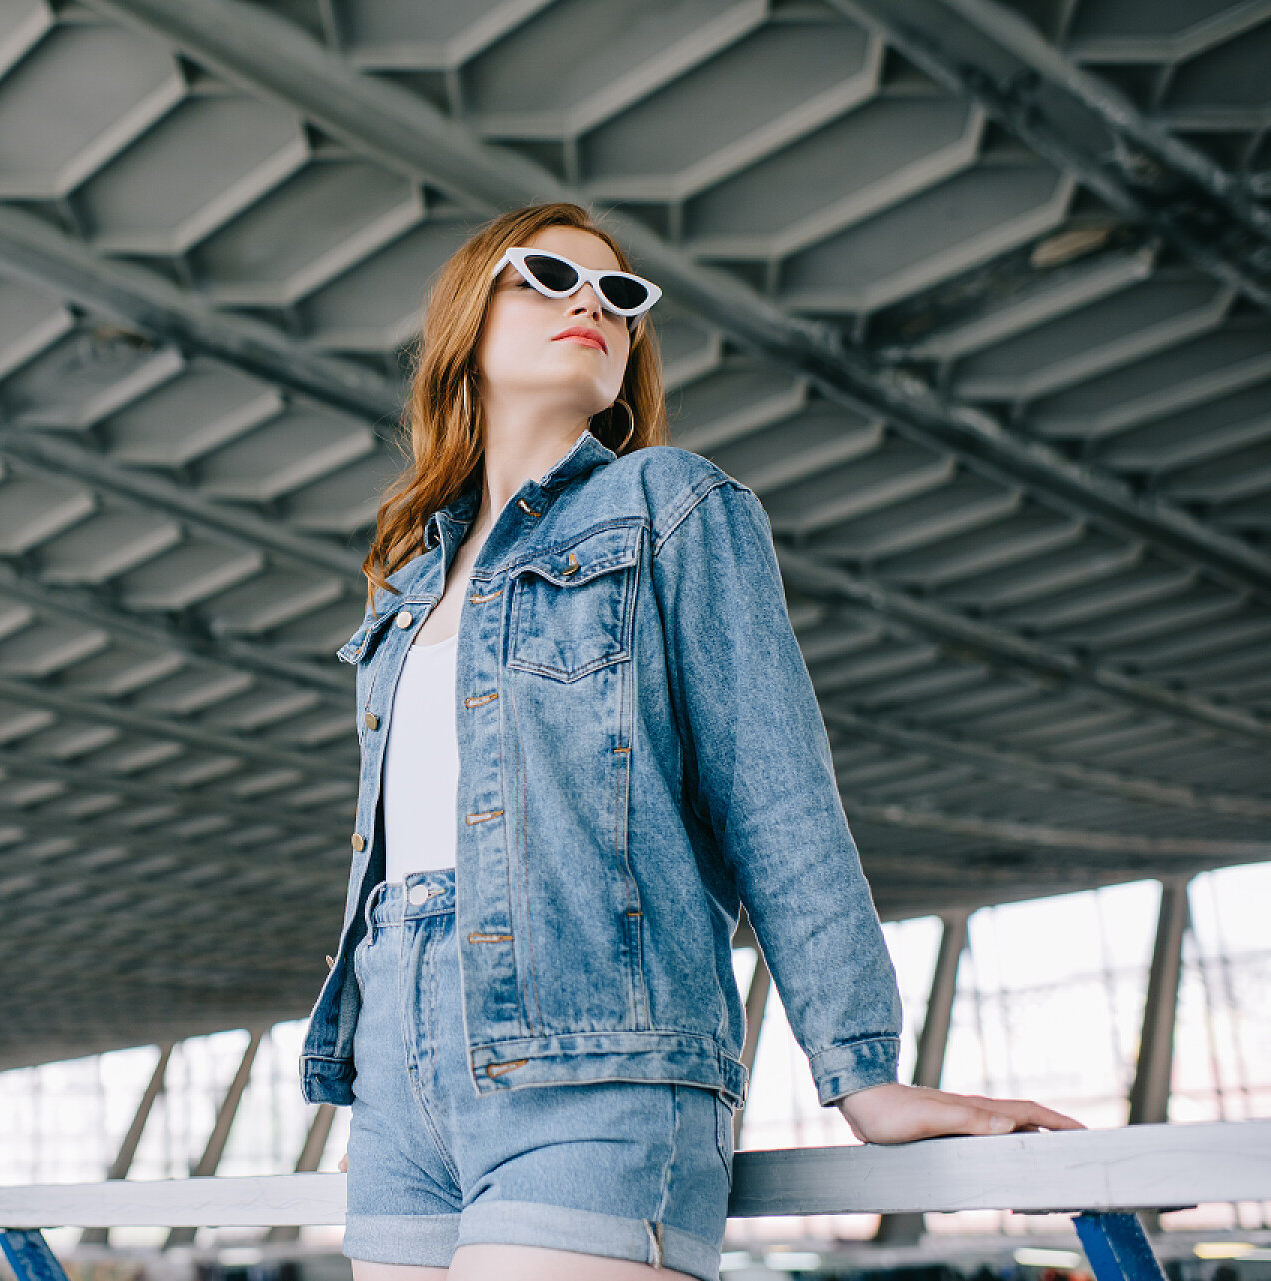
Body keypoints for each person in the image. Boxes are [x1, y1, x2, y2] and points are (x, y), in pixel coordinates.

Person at [296, 203, 1080, 1281]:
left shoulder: (670, 507)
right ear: (465, 323)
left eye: (622, 297)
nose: (595, 305)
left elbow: (777, 791)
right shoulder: (406, 587)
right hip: (401, 1102)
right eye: (551, 277)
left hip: (598, 1072)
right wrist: (390, 1076)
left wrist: (861, 1075)